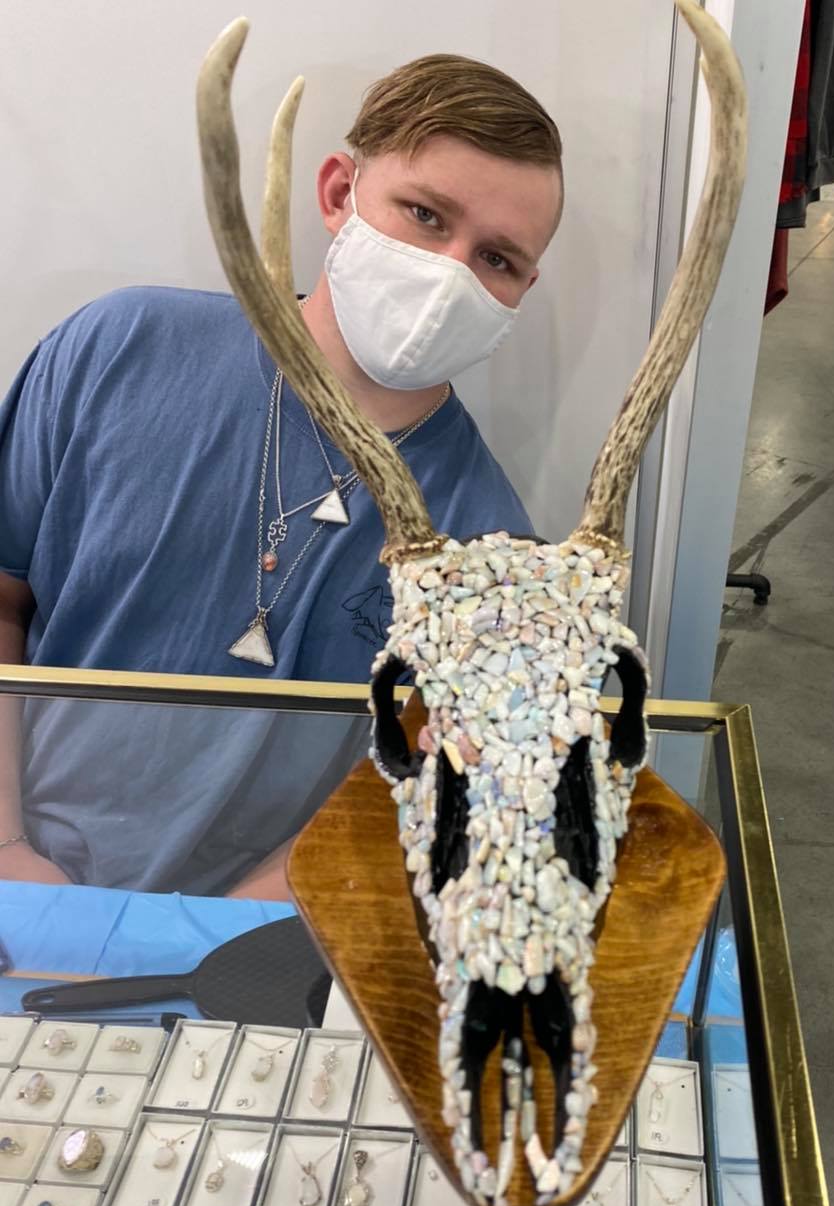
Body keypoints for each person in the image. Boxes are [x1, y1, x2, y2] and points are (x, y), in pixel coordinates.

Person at [0, 52, 564, 898]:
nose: (450, 273)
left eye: (497, 259)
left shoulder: (493, 546)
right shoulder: (117, 351)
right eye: (425, 214)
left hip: (256, 935)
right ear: (339, 193)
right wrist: (6, 849)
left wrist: (220, 941)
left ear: (522, 289)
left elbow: (409, 792)